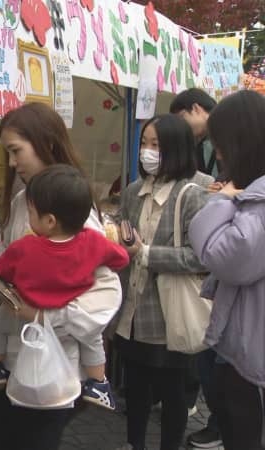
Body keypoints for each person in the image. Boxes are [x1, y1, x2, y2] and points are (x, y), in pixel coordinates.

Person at [0, 103, 123, 450]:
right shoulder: (24, 199)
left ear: (46, 142)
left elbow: (101, 300)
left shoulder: (74, 211)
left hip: (53, 369)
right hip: (17, 360)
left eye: (15, 151)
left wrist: (42, 316)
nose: (11, 163)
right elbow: (24, 263)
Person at [0, 164, 129, 413]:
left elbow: (4, 269)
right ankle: (98, 384)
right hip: (68, 317)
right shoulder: (93, 242)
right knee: (92, 339)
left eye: (30, 212)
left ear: (49, 221)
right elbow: (121, 259)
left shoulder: (25, 247)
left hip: (26, 316)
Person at [114, 114, 212, 450]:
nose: (147, 151)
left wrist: (146, 253)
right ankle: (133, 444)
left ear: (176, 148)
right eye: (144, 143)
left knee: (173, 392)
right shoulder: (133, 191)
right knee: (136, 389)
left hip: (170, 313)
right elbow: (121, 235)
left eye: (156, 145)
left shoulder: (194, 193)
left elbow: (200, 257)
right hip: (133, 311)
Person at [189, 90, 265, 450]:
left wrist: (221, 201)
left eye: (220, 144)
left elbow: (225, 256)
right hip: (244, 354)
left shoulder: (258, 202)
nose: (217, 153)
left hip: (253, 365)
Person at [169, 88, 226, 450]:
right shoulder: (204, 143)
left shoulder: (226, 140)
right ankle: (204, 408)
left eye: (180, 119)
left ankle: (220, 424)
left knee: (220, 353)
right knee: (207, 350)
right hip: (214, 267)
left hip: (221, 267)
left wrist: (224, 197)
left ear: (195, 109)